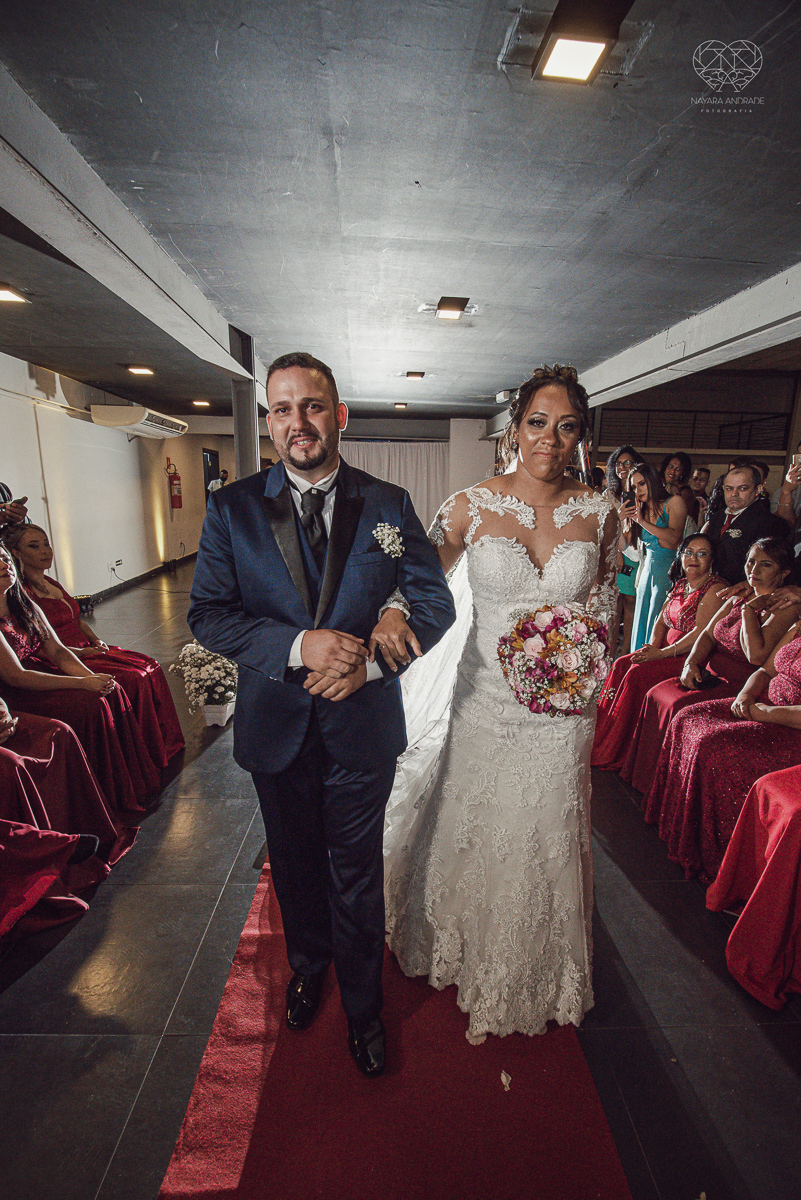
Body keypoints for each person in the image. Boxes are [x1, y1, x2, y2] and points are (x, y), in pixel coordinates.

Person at [187, 351, 455, 1078]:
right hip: (275, 725)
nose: (297, 422)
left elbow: (433, 601)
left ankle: (364, 1006)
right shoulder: (233, 508)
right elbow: (208, 614)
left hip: (361, 725)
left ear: (338, 416)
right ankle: (308, 967)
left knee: (357, 872)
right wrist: (299, 645)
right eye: (282, 409)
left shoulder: (388, 502)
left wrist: (373, 662)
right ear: (269, 421)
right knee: (296, 866)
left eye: (311, 406)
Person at [377, 364, 618, 1044]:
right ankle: (456, 939)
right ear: (514, 430)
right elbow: (414, 580)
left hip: (561, 710)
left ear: (579, 436)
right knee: (473, 813)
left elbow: (603, 603)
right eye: (538, 423)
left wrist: (583, 665)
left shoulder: (600, 514)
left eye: (566, 427)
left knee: (546, 822)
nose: (550, 439)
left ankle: (532, 964)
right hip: (484, 697)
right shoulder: (469, 506)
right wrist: (392, 611)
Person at [620, 537, 801, 793]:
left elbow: (756, 657)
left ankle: (673, 790)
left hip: (739, 682)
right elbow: (707, 634)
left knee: (677, 707)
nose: (754, 570)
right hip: (709, 672)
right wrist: (691, 663)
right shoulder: (738, 595)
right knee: (655, 694)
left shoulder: (784, 607)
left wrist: (749, 612)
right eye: (751, 562)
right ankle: (648, 782)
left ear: (784, 573)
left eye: (766, 565)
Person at [6, 523, 184, 767]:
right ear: (17, 553)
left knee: (148, 666)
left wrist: (94, 642)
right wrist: (83, 662)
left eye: (46, 543)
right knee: (129, 680)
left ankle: (160, 747)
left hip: (77, 649)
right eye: (34, 546)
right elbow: (39, 653)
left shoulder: (46, 586)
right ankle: (130, 760)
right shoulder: (22, 595)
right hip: (59, 660)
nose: (45, 551)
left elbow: (74, 621)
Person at [0, 545, 160, 814]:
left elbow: (58, 651)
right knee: (89, 705)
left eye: (5, 558)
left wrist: (93, 678)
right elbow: (16, 676)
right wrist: (81, 683)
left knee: (111, 691)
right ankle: (98, 797)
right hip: (16, 691)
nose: (4, 565)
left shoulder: (24, 604)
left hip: (40, 673)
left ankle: (126, 788)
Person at [643, 619, 801, 883]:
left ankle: (718, 857)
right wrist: (745, 696)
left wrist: (766, 713)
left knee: (715, 748)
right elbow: (764, 671)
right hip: (762, 704)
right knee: (686, 718)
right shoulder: (797, 626)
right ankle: (679, 831)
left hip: (789, 727)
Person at [591, 534, 723, 770]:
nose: (693, 558)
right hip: (663, 651)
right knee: (622, 663)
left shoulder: (715, 589)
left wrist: (661, 655)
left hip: (687, 657)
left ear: (712, 559)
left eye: (702, 554)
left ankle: (623, 749)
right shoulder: (681, 584)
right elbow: (660, 620)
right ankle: (605, 736)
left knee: (637, 674)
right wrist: (652, 648)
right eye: (689, 552)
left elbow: (701, 633)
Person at [622, 462, 687, 652]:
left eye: (642, 484)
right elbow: (624, 546)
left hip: (667, 570)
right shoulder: (639, 509)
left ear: (653, 480)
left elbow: (674, 539)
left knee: (657, 622)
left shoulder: (674, 502)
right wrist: (621, 519)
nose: (638, 490)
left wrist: (642, 522)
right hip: (645, 572)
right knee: (641, 621)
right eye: (634, 487)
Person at [702, 464, 785, 583]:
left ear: (758, 489)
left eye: (742, 488)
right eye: (729, 488)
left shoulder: (771, 523)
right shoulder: (716, 518)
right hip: (710, 586)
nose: (734, 494)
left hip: (743, 589)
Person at [604, 445, 643, 657]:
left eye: (627, 463)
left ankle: (626, 651)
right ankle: (609, 650)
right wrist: (617, 554)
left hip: (636, 551)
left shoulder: (642, 491)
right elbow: (604, 527)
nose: (623, 468)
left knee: (630, 602)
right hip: (614, 552)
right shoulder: (609, 495)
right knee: (614, 603)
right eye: (618, 464)